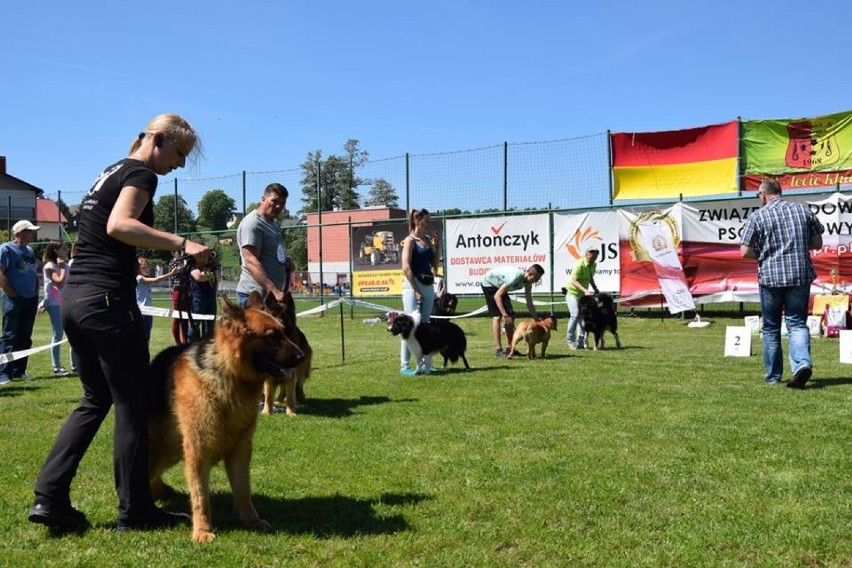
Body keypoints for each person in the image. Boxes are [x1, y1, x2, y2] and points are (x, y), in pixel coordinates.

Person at [28, 113, 213, 531]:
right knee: (131, 406)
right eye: (179, 154)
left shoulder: (110, 171)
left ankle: (49, 496)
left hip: (76, 298)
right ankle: (137, 511)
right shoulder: (142, 175)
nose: (180, 164)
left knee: (95, 399)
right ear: (158, 140)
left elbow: (109, 232)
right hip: (109, 302)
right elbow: (120, 225)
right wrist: (183, 242)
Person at [740, 177, 824, 388]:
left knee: (770, 327)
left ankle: (773, 376)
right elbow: (817, 243)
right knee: (796, 323)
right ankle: (802, 364)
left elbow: (745, 252)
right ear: (780, 192)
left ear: (763, 194)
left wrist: (764, 255)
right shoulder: (803, 211)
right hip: (799, 275)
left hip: (771, 277)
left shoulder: (758, 216)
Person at [235, 182, 294, 307]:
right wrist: (274, 290)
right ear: (263, 199)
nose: (278, 206)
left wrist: (285, 261)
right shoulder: (252, 224)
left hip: (270, 296)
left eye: (282, 203)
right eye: (274, 201)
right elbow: (251, 261)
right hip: (254, 297)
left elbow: (271, 252)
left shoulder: (274, 223)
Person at [399, 208, 440, 376]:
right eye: (427, 221)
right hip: (412, 285)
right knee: (409, 326)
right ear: (417, 221)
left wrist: (438, 246)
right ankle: (405, 365)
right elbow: (406, 267)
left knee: (424, 326)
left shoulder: (428, 240)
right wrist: (416, 290)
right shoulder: (409, 241)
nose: (429, 223)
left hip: (428, 285)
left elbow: (435, 265)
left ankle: (424, 364)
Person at [0, 220, 42, 385]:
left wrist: (36, 290)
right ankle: (4, 372)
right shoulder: (6, 249)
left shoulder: (30, 250)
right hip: (13, 299)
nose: (33, 234)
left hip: (30, 298)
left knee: (25, 337)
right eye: (30, 231)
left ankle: (19, 371)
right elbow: (1, 273)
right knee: (10, 335)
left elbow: (33, 272)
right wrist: (12, 293)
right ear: (19, 233)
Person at [481, 264, 545, 358]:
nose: (537, 281)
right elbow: (497, 296)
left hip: (499, 287)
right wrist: (504, 314)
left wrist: (536, 319)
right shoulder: (515, 277)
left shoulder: (528, 283)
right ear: (529, 274)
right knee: (497, 316)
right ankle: (499, 350)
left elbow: (529, 302)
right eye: (536, 278)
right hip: (489, 284)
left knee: (511, 317)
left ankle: (510, 349)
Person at [41, 241, 70, 376]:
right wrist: (62, 267)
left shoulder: (66, 264)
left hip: (67, 301)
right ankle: (56, 367)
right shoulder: (50, 266)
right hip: (55, 303)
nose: (67, 250)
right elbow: (60, 281)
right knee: (58, 334)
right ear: (55, 251)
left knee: (71, 333)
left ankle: (75, 365)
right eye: (63, 248)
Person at [564, 248, 600, 349]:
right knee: (575, 315)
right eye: (592, 256)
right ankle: (570, 340)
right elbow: (574, 281)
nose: (594, 258)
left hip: (583, 295)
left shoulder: (594, 265)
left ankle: (581, 342)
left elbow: (590, 277)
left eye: (596, 256)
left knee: (583, 317)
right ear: (586, 255)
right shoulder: (579, 264)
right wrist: (585, 290)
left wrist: (595, 288)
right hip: (573, 293)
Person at [135, 257, 177, 342]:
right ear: (137, 269)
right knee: (139, 336)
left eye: (147, 267)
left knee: (147, 336)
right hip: (139, 311)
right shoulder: (138, 278)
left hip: (149, 310)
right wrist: (170, 274)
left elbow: (156, 280)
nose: (146, 269)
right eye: (143, 268)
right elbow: (156, 280)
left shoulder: (146, 279)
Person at [187, 256, 219, 341]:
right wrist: (211, 275)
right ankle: (191, 344)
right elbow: (199, 277)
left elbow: (218, 276)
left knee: (210, 325)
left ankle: (206, 346)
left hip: (211, 297)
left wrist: (208, 275)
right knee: (195, 324)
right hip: (198, 298)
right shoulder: (193, 265)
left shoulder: (212, 266)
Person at [166, 251, 190, 345]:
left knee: (185, 318)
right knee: (177, 317)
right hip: (177, 290)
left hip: (187, 291)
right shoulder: (174, 262)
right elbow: (175, 273)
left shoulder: (187, 261)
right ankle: (178, 342)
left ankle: (185, 342)